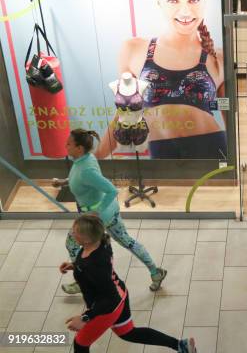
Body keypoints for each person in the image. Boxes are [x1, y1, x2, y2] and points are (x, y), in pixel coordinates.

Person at [96, 0, 226, 160]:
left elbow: (226, 109)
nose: (185, 11)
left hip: (212, 147)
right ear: (159, 2)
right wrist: (94, 159)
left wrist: (235, 162)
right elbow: (125, 113)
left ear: (204, 1)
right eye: (173, 0)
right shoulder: (133, 50)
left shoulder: (218, 58)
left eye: (193, 0)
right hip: (163, 152)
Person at [61, 214, 196, 353]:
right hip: (121, 294)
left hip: (107, 308)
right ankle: (181, 345)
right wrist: (75, 265)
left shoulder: (94, 265)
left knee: (80, 344)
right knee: (128, 333)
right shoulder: (100, 243)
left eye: (75, 231)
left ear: (87, 239)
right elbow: (93, 265)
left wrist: (85, 318)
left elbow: (109, 298)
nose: (72, 232)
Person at [53, 129, 166, 294]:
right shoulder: (85, 160)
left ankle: (82, 280)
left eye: (69, 144)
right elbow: (82, 180)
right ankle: (155, 272)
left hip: (95, 217)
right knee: (126, 240)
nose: (65, 146)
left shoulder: (86, 169)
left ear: (79, 148)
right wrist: (63, 182)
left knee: (72, 243)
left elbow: (111, 190)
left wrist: (96, 213)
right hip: (110, 211)